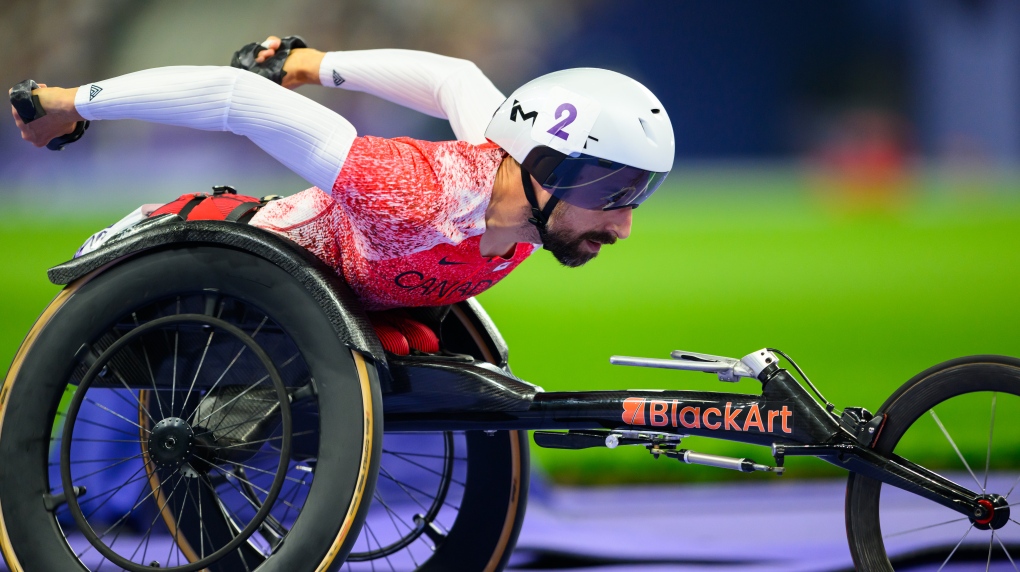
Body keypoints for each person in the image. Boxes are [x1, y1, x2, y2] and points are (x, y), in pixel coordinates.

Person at [11, 36, 674, 354]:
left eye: (635, 197)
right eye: (615, 192)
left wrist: (313, 63)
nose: (623, 227)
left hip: (320, 316)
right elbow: (240, 97)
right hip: (201, 287)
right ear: (550, 168)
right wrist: (74, 102)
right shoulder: (406, 191)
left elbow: (457, 80)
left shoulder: (519, 188)